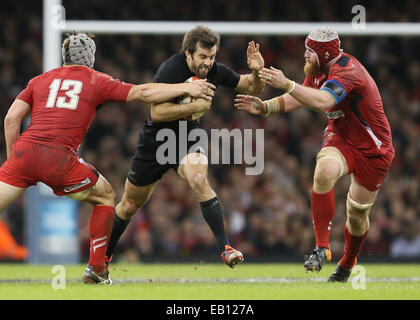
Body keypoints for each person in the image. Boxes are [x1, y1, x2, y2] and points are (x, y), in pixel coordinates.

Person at [0, 31, 215, 284]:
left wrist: (13, 161)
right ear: (91, 57)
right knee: (105, 196)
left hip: (23, 154)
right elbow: (143, 94)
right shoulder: (95, 80)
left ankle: (97, 269)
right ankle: (96, 269)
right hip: (59, 159)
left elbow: (11, 119)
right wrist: (185, 87)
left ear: (64, 56)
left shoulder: (39, 80)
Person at [234, 26, 394, 282]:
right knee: (324, 170)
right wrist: (265, 108)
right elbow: (302, 97)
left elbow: (322, 101)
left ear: (325, 52)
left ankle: (347, 264)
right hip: (341, 138)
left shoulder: (347, 71)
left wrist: (286, 83)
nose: (305, 55)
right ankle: (322, 248)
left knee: (357, 213)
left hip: (373, 149)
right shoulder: (319, 70)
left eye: (310, 51)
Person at [105, 25, 265, 268]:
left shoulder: (214, 70)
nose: (207, 63)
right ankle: (102, 258)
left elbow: (251, 87)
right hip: (155, 141)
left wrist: (256, 73)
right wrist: (192, 106)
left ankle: (225, 248)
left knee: (199, 179)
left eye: (212, 57)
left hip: (186, 137)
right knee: (128, 205)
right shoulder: (171, 69)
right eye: (202, 56)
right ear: (188, 54)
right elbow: (157, 113)